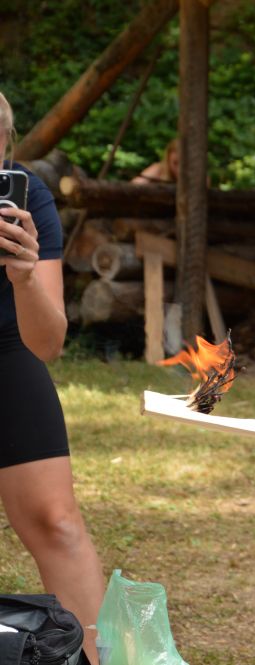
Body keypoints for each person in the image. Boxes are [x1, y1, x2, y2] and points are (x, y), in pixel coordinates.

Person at [0, 91, 104, 665]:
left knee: (56, 521)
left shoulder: (28, 197)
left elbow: (48, 343)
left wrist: (23, 278)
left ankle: (100, 659)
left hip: (8, 344)